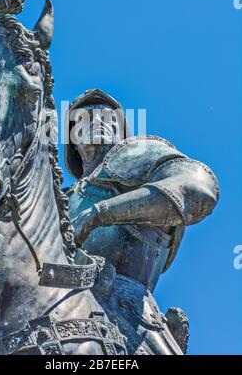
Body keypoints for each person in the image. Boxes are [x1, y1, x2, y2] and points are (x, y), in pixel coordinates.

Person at [64, 88, 220, 355]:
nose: (97, 121)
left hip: (128, 312)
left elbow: (198, 188)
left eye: (107, 117)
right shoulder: (59, 198)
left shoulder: (142, 158)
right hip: (53, 304)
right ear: (72, 140)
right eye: (83, 119)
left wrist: (98, 214)